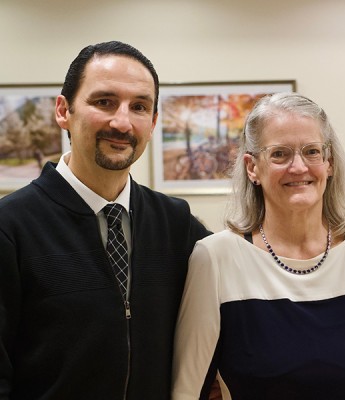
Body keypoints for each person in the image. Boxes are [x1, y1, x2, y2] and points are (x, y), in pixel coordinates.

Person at [0, 41, 210, 399]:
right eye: (104, 102)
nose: (122, 122)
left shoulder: (177, 224)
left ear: (154, 121)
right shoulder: (10, 227)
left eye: (140, 107)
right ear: (64, 111)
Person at [172, 92, 345, 400]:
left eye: (311, 152)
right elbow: (187, 390)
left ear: (329, 162)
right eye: (279, 154)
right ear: (252, 168)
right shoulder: (215, 258)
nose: (298, 167)